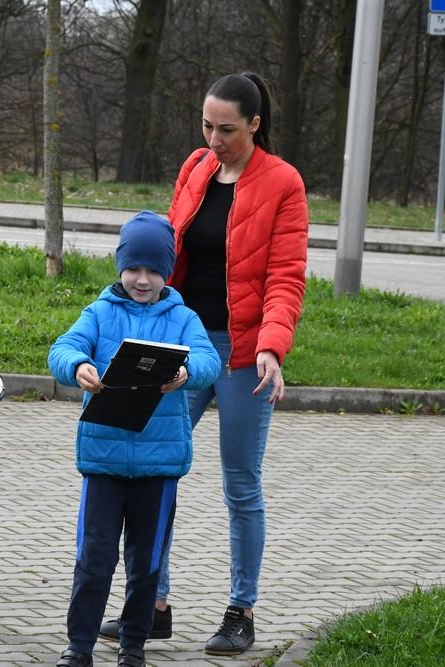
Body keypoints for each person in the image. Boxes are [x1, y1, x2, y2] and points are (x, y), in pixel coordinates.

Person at [99, 72, 309, 656]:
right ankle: (153, 603)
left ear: (255, 126)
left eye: (227, 130)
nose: (213, 139)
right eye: (206, 126)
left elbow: (285, 277)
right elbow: (167, 253)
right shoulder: (195, 168)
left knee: (241, 485)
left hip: (245, 355)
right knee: (153, 468)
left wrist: (271, 344)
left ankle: (241, 610)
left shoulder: (284, 184)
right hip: (181, 344)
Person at [49, 212, 221, 667]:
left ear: (167, 271)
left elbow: (209, 362)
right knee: (94, 558)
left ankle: (133, 645)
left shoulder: (184, 318)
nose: (142, 280)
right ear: (120, 266)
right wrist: (76, 367)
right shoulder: (100, 311)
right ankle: (79, 646)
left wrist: (185, 374)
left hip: (158, 465)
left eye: (152, 270)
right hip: (103, 459)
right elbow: (62, 348)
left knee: (145, 564)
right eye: (133, 269)